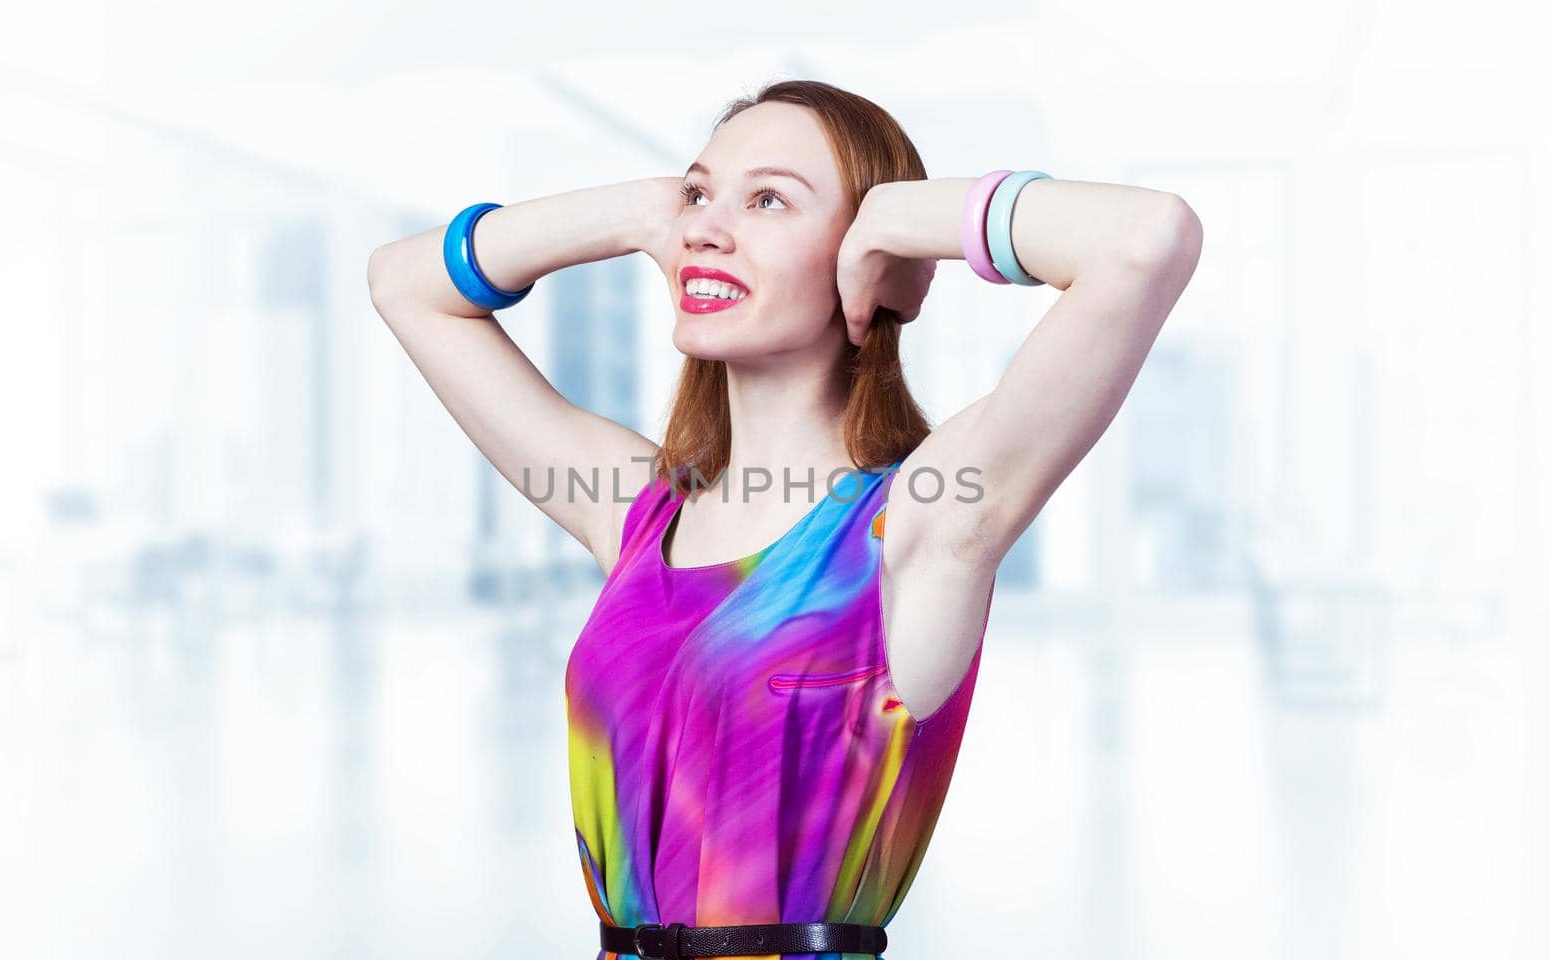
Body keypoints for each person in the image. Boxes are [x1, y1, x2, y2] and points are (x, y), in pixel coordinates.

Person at [367, 79, 1200, 960]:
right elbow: (403, 282)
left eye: (770, 199)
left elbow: (1147, 241)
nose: (707, 226)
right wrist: (641, 213)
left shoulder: (920, 524)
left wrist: (904, 221)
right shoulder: (638, 513)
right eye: (701, 194)